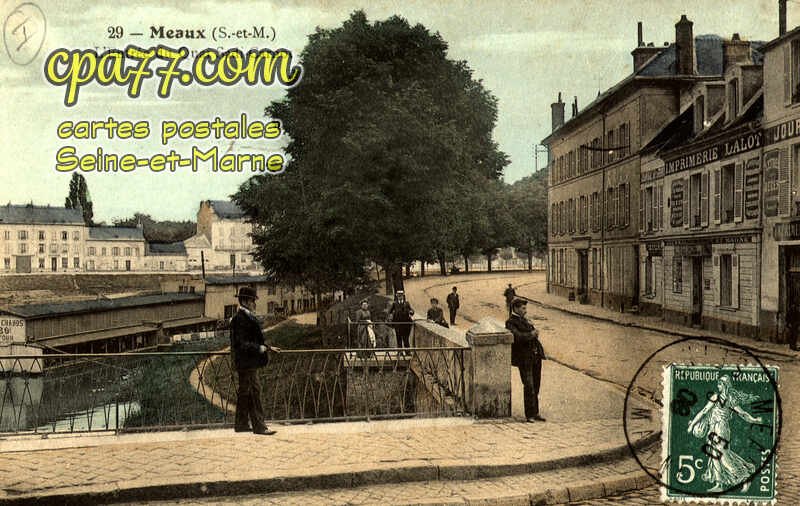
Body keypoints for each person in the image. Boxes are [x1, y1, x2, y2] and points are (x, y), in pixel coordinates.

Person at [687, 375, 763, 492]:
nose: (718, 386)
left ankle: (744, 477)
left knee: (723, 456)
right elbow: (705, 411)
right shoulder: (725, 398)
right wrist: (754, 420)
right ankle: (719, 484)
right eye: (718, 384)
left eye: (720, 384)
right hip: (713, 428)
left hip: (721, 428)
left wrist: (754, 420)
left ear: (725, 385)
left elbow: (741, 413)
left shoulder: (723, 398)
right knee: (714, 455)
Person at [230, 286, 279, 435]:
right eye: (252, 301)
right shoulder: (240, 319)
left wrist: (268, 347)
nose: (254, 304)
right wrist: (259, 348)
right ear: (244, 301)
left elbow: (252, 339)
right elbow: (241, 343)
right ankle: (260, 427)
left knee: (245, 392)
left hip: (246, 362)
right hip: (247, 362)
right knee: (254, 392)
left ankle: (241, 424)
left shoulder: (245, 317)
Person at [506, 298, 546, 423]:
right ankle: (529, 415)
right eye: (523, 308)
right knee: (528, 385)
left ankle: (536, 412)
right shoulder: (510, 322)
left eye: (525, 308)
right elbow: (517, 337)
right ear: (516, 309)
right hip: (524, 358)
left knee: (536, 385)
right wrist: (532, 334)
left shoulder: (525, 320)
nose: (525, 311)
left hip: (535, 357)